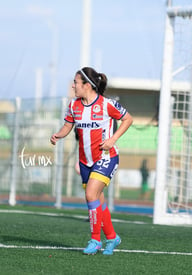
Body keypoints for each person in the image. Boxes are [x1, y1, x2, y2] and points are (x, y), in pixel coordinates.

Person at [51, 66, 133, 255]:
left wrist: (112, 139)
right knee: (97, 200)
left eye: (76, 82)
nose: (73, 86)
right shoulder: (73, 105)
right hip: (85, 161)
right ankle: (112, 238)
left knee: (90, 195)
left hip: (106, 157)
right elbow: (67, 126)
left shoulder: (106, 104)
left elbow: (128, 119)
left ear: (87, 85)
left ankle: (95, 240)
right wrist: (58, 135)